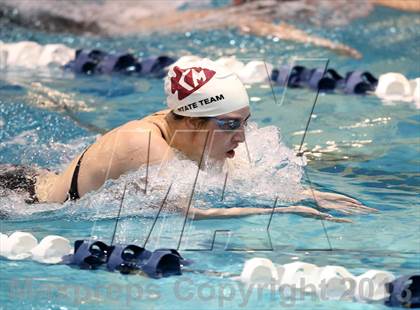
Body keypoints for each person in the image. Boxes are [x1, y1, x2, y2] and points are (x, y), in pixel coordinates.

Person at [0, 59, 376, 221]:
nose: (242, 137)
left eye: (244, 123)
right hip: (17, 199)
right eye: (230, 125)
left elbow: (240, 181)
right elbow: (193, 215)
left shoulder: (188, 133)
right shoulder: (142, 144)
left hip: (38, 177)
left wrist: (309, 195)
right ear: (193, 122)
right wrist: (284, 212)